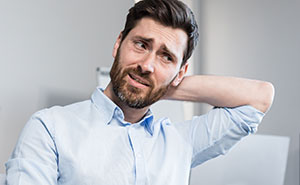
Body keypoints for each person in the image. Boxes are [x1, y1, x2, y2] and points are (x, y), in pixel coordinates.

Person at [5, 0, 274, 184]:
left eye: (166, 57)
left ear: (180, 73)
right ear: (118, 43)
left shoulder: (179, 141)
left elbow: (259, 97)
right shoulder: (50, 128)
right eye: (141, 45)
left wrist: (158, 86)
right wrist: (151, 80)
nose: (146, 65)